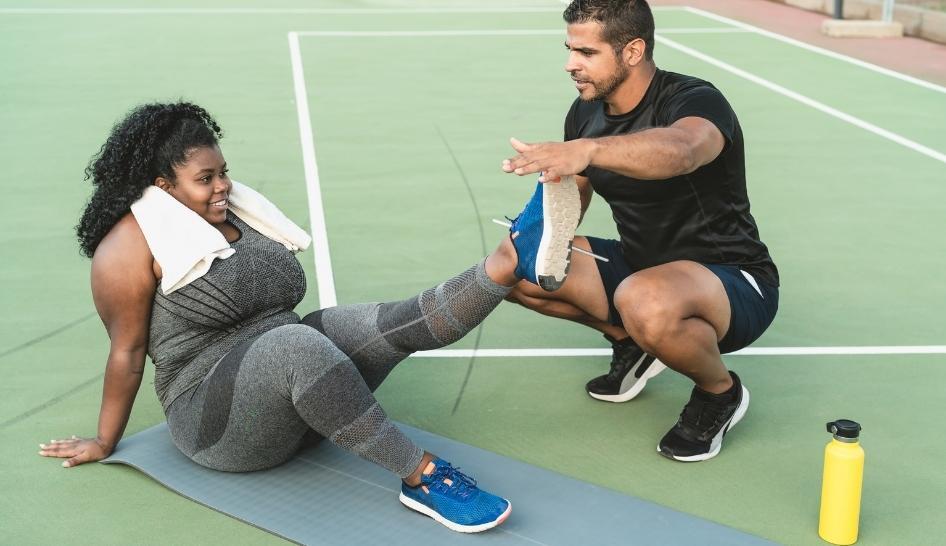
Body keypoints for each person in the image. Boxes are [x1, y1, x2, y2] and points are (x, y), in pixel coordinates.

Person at [36, 101, 553, 533]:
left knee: (360, 325)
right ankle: (422, 477)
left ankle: (506, 263)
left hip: (294, 390)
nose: (223, 186)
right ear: (163, 186)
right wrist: (105, 441)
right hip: (215, 422)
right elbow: (126, 355)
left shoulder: (234, 208)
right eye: (205, 179)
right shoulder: (125, 252)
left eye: (223, 172)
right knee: (298, 344)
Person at [500, 0, 780, 462]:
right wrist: (536, 236)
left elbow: (684, 149)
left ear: (632, 51)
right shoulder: (584, 113)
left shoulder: (694, 100)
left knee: (643, 299)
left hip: (732, 282)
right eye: (570, 49)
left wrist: (587, 150)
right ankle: (632, 344)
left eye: (586, 53)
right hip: (641, 269)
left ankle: (719, 393)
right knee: (517, 266)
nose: (570, 64)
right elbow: (574, 197)